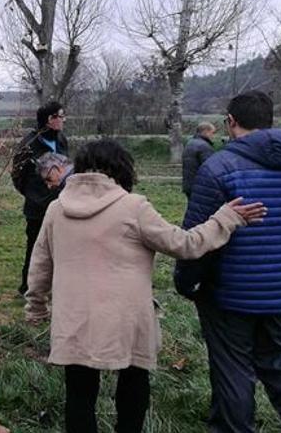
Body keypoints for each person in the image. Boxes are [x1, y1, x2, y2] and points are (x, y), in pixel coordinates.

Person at [25, 138, 266, 433]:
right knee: (133, 384)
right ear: (122, 169)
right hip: (126, 318)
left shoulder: (56, 209)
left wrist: (35, 306)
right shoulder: (133, 207)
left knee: (79, 393)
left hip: (74, 318)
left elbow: (40, 266)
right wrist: (225, 218)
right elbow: (185, 244)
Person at [174, 91, 281, 432]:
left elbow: (198, 235)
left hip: (228, 293)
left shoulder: (218, 167)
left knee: (233, 370)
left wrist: (186, 282)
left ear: (230, 122)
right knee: (279, 361)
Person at [11, 102, 68, 296]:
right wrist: (36, 196)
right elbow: (18, 176)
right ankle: (27, 287)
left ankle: (54, 286)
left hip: (60, 205)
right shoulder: (29, 144)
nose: (63, 120)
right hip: (37, 207)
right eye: (61, 116)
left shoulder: (61, 140)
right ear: (50, 119)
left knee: (60, 248)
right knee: (35, 247)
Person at [181, 121, 216, 198]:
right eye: (212, 133)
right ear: (206, 132)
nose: (213, 136)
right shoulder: (204, 147)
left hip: (189, 185)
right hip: (200, 187)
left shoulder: (189, 143)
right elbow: (210, 169)